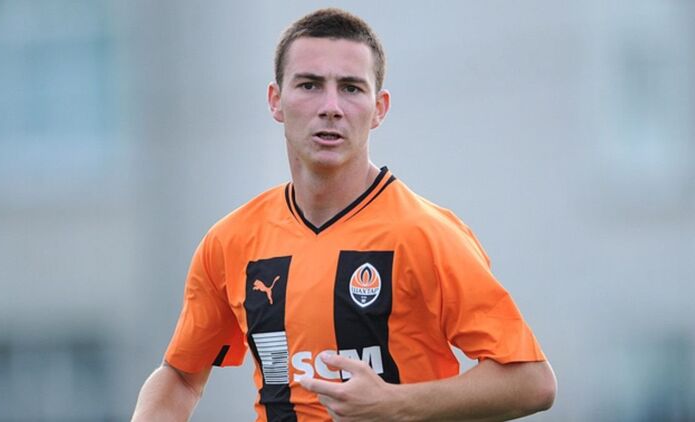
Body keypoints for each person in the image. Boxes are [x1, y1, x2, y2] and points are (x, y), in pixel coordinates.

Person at [132, 7, 556, 422]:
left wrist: (396, 405)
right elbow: (181, 378)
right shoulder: (230, 241)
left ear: (379, 108)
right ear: (275, 101)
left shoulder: (427, 234)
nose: (331, 106)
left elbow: (532, 382)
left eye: (351, 88)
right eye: (310, 85)